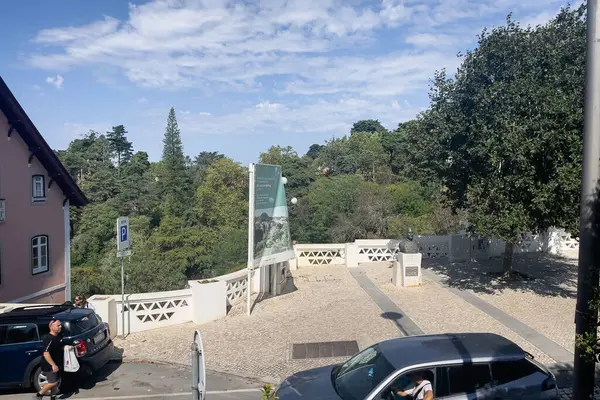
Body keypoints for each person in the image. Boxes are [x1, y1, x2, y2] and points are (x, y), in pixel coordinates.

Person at [35, 319, 72, 400]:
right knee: (53, 382)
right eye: (58, 325)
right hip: (48, 365)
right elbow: (46, 353)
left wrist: (66, 347)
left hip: (57, 363)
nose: (60, 327)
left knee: (56, 382)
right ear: (51, 327)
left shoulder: (58, 337)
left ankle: (53, 397)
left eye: (60, 325)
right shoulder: (48, 339)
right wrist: (53, 365)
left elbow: (59, 347)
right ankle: (39, 394)